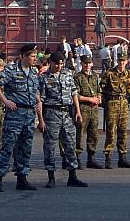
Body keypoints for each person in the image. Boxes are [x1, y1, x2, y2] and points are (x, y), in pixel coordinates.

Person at [0, 44, 41, 192]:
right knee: (8, 146)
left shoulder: (33, 72)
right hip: (15, 114)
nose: (34, 59)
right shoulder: (11, 70)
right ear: (24, 56)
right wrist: (5, 100)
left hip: (29, 115)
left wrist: (38, 104)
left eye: (35, 56)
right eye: (32, 56)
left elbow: (35, 91)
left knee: (25, 148)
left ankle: (22, 178)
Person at [37, 51, 87, 188]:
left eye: (61, 64)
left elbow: (74, 93)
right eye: (57, 64)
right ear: (51, 63)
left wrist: (78, 111)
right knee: (50, 146)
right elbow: (40, 100)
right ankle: (51, 177)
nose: (59, 66)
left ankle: (73, 176)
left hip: (67, 113)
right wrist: (40, 120)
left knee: (70, 144)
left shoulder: (67, 75)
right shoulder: (44, 78)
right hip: (51, 113)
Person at [100, 52, 130, 169]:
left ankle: (122, 158)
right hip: (112, 103)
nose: (121, 63)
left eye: (123, 61)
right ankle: (108, 158)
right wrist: (104, 102)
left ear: (127, 61)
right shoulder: (109, 73)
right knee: (111, 132)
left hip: (123, 103)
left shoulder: (129, 74)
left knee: (123, 132)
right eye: (120, 60)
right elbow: (102, 89)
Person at [74, 54, 103, 169]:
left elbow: (98, 89)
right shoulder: (77, 77)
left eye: (89, 63)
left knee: (93, 134)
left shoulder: (95, 76)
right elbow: (75, 94)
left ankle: (91, 158)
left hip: (94, 109)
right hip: (83, 108)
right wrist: (90, 99)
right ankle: (77, 158)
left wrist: (99, 97)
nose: (87, 65)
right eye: (85, 63)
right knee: (79, 134)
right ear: (82, 64)